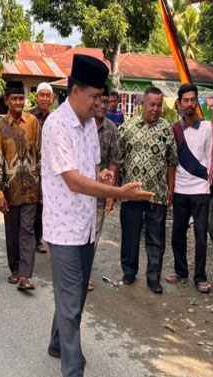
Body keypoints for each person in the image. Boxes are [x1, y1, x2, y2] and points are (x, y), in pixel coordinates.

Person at [42, 54, 154, 377]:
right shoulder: (56, 126)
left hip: (86, 225)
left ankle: (58, 341)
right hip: (63, 228)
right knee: (71, 302)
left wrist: (103, 176)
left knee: (74, 296)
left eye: (101, 97)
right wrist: (117, 192)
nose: (98, 104)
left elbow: (89, 170)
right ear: (74, 91)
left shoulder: (90, 124)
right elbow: (73, 181)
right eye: (93, 97)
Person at [118, 86, 177, 294]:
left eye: (159, 105)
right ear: (143, 104)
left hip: (157, 194)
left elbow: (172, 161)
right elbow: (118, 158)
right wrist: (116, 189)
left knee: (156, 239)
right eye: (152, 104)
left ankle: (153, 277)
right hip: (131, 193)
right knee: (130, 235)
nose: (155, 109)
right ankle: (129, 271)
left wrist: (171, 188)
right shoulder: (128, 127)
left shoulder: (166, 129)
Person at [166, 84, 213, 293]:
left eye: (193, 100)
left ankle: (200, 276)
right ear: (179, 103)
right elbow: (171, 160)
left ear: (197, 102)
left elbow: (211, 157)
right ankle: (181, 271)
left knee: (201, 235)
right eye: (185, 100)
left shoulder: (207, 127)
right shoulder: (174, 129)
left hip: (200, 190)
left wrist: (207, 184)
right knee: (178, 232)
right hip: (180, 189)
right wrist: (171, 186)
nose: (189, 104)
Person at [0, 81, 41, 290]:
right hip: (10, 189)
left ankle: (25, 274)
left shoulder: (33, 122)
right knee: (12, 231)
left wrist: (42, 185)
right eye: (14, 99)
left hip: (31, 187)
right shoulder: (0, 126)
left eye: (21, 98)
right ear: (7, 101)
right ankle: (15, 269)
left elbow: (40, 154)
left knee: (28, 230)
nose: (18, 102)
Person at [92, 85, 122, 292]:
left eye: (106, 102)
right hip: (79, 190)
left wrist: (111, 193)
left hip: (101, 191)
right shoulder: (82, 124)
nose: (103, 106)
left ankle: (84, 272)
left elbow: (114, 162)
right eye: (100, 101)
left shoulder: (111, 129)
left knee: (94, 234)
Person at [29, 81, 54, 254]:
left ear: (52, 98)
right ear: (37, 97)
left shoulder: (56, 118)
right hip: (31, 165)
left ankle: (39, 239)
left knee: (44, 205)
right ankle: (29, 239)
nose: (45, 99)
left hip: (50, 167)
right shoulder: (29, 117)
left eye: (47, 95)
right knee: (30, 204)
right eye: (42, 95)